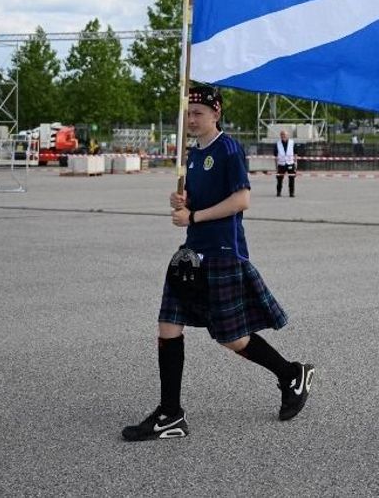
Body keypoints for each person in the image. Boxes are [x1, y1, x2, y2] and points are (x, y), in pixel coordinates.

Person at [122, 84, 315, 442]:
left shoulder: (228, 149)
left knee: (232, 338)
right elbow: (195, 201)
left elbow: (242, 200)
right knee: (168, 325)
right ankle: (170, 414)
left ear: (216, 114)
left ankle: (291, 373)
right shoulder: (193, 155)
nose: (192, 120)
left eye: (198, 113)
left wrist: (193, 216)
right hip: (191, 254)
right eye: (188, 113)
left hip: (223, 253)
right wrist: (181, 199)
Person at [275, 129, 297, 197]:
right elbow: (275, 155)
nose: (283, 136)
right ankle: (278, 192)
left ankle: (291, 193)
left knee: (291, 179)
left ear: (287, 136)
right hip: (281, 164)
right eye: (282, 135)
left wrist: (295, 164)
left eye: (284, 135)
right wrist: (276, 166)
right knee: (279, 179)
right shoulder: (277, 144)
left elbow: (295, 154)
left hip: (290, 163)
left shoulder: (292, 143)